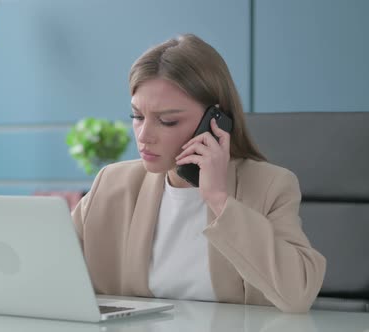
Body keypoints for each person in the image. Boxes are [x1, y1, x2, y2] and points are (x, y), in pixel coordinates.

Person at [71, 34, 326, 313]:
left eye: (167, 121)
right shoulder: (112, 183)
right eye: (137, 117)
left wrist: (218, 199)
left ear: (216, 121)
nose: (144, 136)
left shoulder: (270, 185)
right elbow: (49, 268)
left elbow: (298, 295)